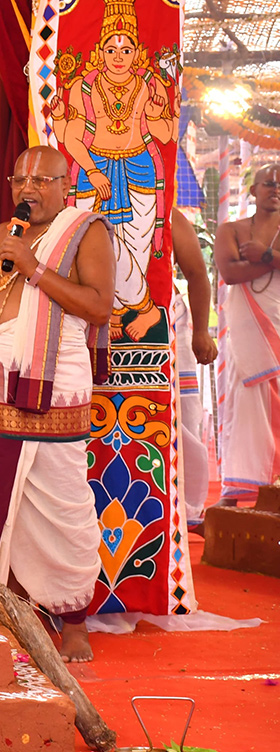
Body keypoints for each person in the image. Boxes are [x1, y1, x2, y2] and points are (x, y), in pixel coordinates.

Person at [0, 146, 115, 663]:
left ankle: (74, 617)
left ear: (65, 185)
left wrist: (35, 269)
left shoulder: (86, 231)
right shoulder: (1, 238)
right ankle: (6, 605)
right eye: (19, 181)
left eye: (40, 181)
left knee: (64, 509)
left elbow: (100, 307)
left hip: (53, 394)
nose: (27, 190)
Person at [59, 0, 178, 343]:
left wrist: (158, 111)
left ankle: (133, 309)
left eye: (126, 50)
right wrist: (93, 172)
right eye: (111, 49)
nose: (118, 57)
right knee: (95, 247)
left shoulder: (148, 84)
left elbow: (165, 135)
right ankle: (137, 308)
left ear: (138, 52)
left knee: (136, 250)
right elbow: (72, 138)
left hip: (139, 168)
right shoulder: (84, 86)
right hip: (96, 174)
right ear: (99, 52)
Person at [214, 163, 280, 505]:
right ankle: (238, 489)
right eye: (269, 183)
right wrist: (276, 261)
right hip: (247, 332)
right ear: (253, 191)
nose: (275, 189)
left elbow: (245, 267)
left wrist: (264, 254)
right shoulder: (231, 229)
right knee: (245, 406)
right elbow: (229, 272)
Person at [170, 208, 217, 527]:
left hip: (166, 322)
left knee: (182, 418)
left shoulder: (169, 216)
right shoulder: (80, 200)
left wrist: (201, 331)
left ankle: (187, 508)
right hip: (104, 326)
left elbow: (198, 273)